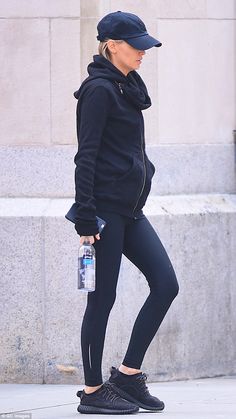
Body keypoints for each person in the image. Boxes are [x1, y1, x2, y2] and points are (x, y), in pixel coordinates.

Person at [67, 10, 179, 415]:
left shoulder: (126, 86)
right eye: (136, 45)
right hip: (103, 214)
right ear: (112, 45)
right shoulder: (98, 90)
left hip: (132, 210)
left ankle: (128, 376)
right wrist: (85, 216)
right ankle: (94, 392)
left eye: (144, 45)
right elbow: (87, 157)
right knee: (102, 299)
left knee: (166, 284)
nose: (143, 52)